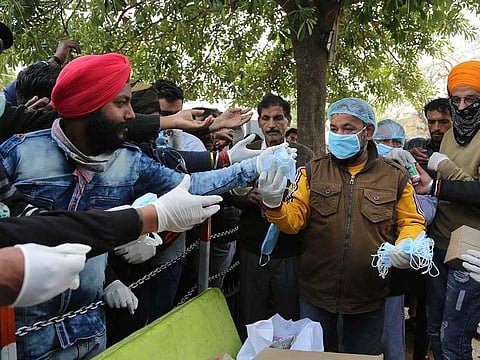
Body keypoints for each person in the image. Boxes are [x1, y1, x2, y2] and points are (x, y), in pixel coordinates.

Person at [0, 52, 284, 360]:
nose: (132, 115)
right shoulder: (18, 156)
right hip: (23, 339)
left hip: (91, 331)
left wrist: (254, 166)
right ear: (87, 107)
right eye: (121, 104)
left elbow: (188, 186)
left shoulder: (128, 161)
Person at [258, 97, 426, 355]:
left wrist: (407, 246)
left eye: (348, 129)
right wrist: (273, 206)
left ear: (368, 132)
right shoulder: (313, 171)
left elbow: (411, 221)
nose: (339, 135)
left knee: (361, 356)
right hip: (316, 294)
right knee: (317, 355)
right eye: (334, 128)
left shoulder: (395, 176)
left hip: (368, 296)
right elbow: (293, 222)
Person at [232, 93, 313, 340]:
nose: (271, 124)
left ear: (287, 121)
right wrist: (247, 195)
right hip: (252, 248)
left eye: (278, 118)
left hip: (289, 250)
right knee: (252, 317)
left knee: (288, 318)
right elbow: (229, 190)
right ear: (259, 121)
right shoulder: (248, 149)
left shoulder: (304, 155)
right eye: (265, 118)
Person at [417, 60, 480, 360]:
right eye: (457, 100)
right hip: (438, 246)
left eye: (471, 99)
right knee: (434, 330)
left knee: (454, 337)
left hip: (471, 253)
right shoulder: (452, 134)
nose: (463, 106)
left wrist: (440, 176)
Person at [373, 119, 433, 360]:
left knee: (390, 336)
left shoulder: (412, 174)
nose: (390, 146)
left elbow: (426, 214)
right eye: (383, 141)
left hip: (396, 270)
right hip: (357, 271)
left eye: (396, 142)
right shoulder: (362, 171)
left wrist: (410, 182)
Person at [404, 98, 452, 177]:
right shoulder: (415, 145)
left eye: (443, 122)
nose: (436, 127)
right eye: (431, 122)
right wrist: (406, 156)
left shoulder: (465, 152)